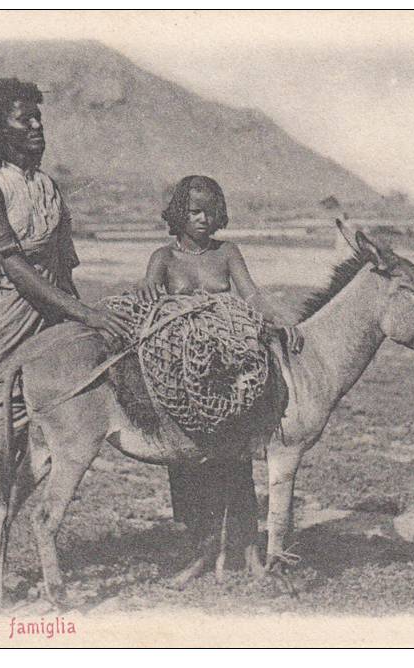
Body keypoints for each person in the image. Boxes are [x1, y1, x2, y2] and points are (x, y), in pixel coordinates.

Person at [0, 78, 134, 613]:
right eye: (22, 119)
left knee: (32, 452)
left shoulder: (49, 188)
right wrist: (82, 311)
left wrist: (85, 326)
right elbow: (13, 263)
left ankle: (1, 561)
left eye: (37, 118)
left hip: (49, 326)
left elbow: (63, 268)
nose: (35, 127)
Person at [136, 175, 302, 583]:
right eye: (194, 211)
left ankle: (248, 551)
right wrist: (153, 297)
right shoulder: (163, 258)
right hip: (181, 377)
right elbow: (149, 301)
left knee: (236, 464)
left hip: (226, 374)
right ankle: (201, 553)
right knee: (189, 468)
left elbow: (252, 296)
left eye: (210, 211)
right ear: (179, 213)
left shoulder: (227, 253)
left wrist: (280, 317)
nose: (203, 219)